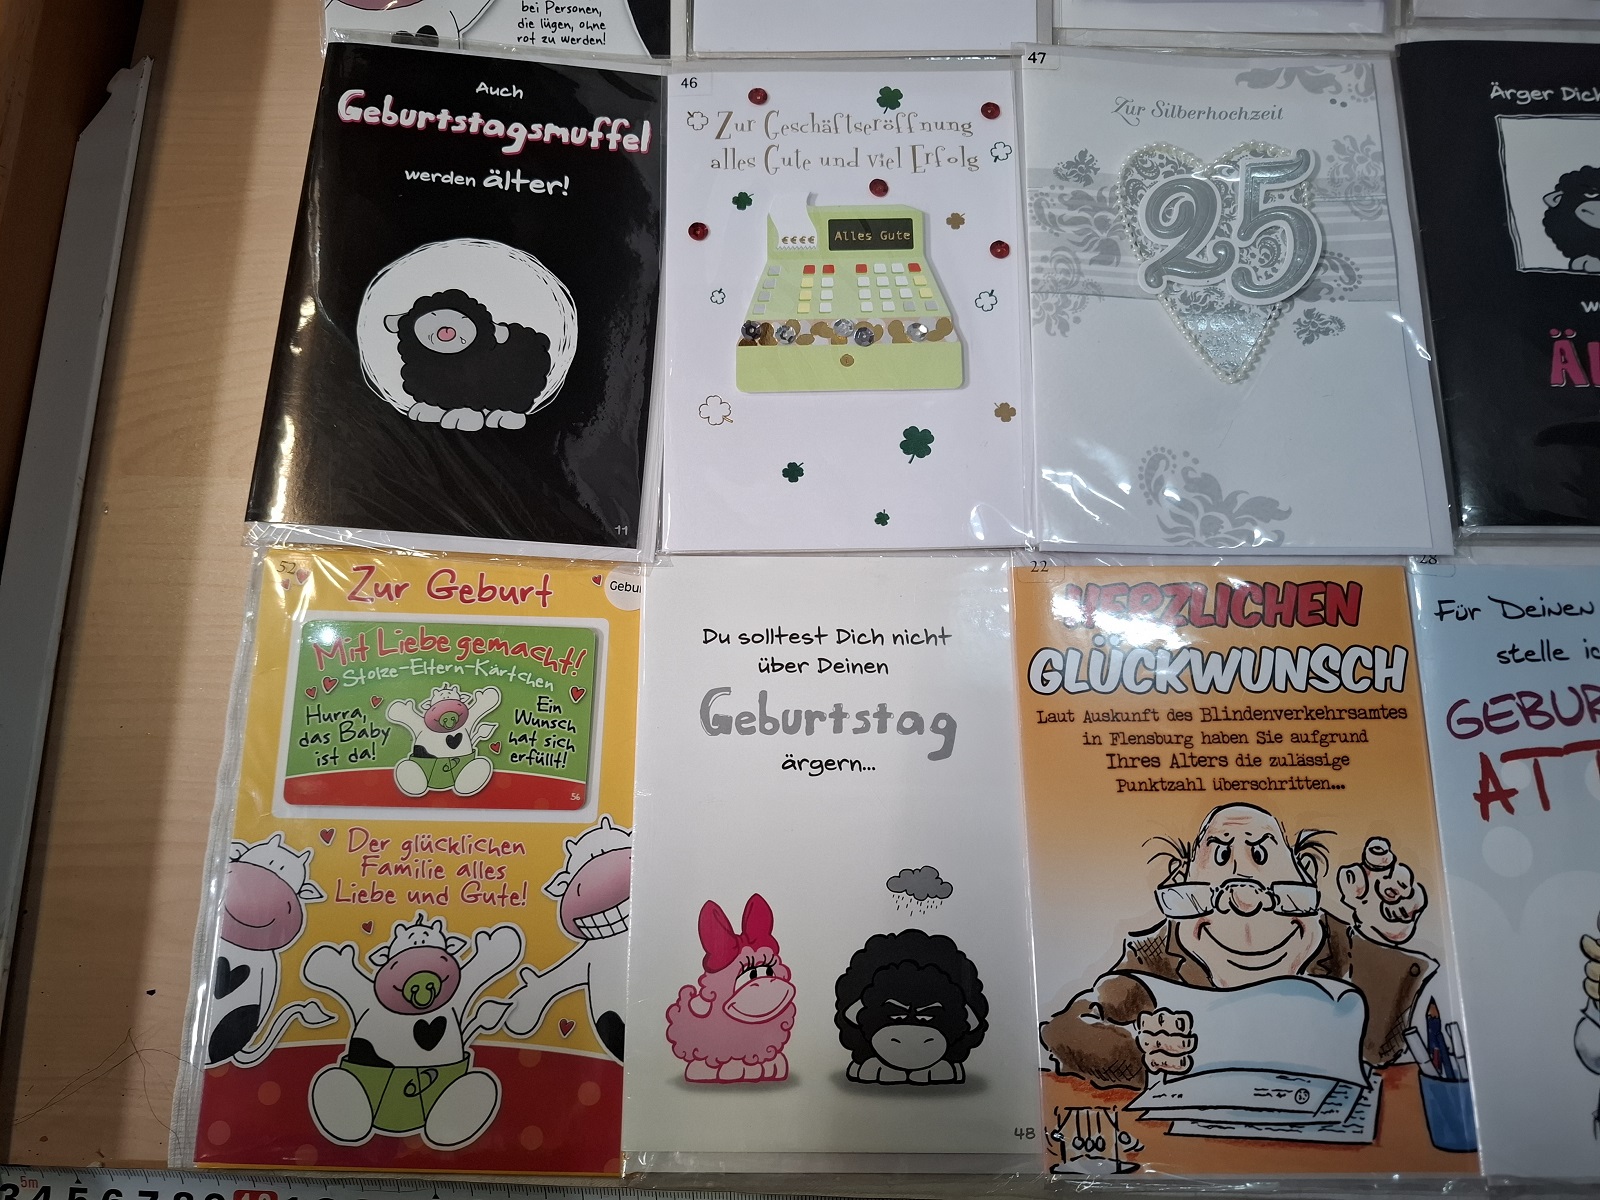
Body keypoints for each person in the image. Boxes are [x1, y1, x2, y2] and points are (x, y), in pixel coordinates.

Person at [1041, 803, 1435, 1090]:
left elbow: (1393, 1041)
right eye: (1221, 855)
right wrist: (1143, 1052)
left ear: (1303, 873)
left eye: (1261, 854)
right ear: (1184, 879)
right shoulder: (1159, 952)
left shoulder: (1340, 942)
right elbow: (1067, 1028)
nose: (1245, 905)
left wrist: (1382, 938)